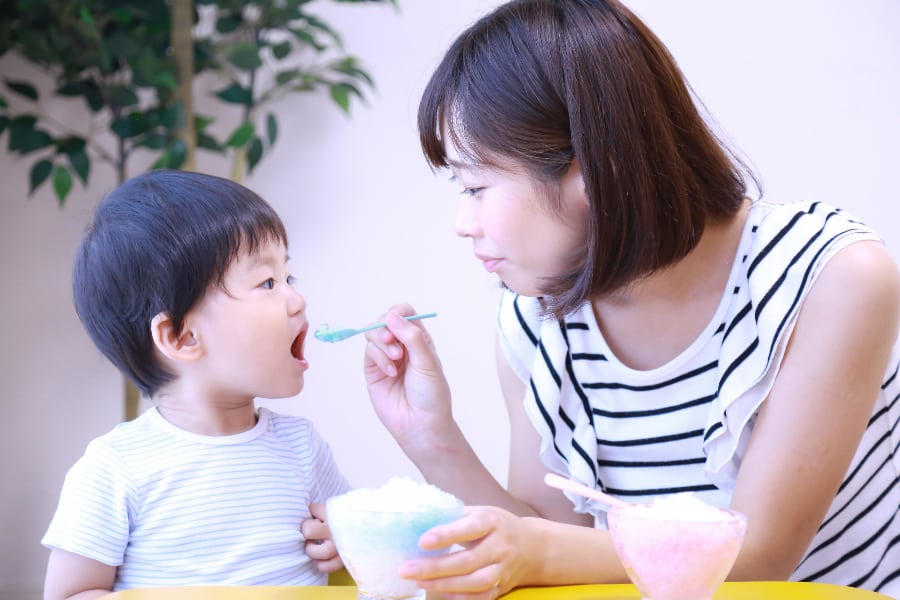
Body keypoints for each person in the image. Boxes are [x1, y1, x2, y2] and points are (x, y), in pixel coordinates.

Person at [362, 0, 900, 598]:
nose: (463, 223)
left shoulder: (829, 276)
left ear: (597, 167)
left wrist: (538, 548)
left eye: (477, 186)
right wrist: (431, 438)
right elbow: (548, 545)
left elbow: (758, 553)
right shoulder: (535, 316)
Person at [42, 171, 349, 599]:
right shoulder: (117, 466)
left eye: (288, 279)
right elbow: (69, 594)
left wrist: (341, 542)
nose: (297, 300)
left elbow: (354, 542)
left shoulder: (302, 446)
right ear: (182, 338)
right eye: (267, 283)